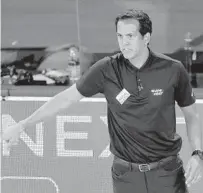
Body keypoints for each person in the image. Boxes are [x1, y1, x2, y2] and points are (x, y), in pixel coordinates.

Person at [1, 9, 203, 193]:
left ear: (146, 37)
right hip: (126, 176)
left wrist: (197, 153)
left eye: (130, 36)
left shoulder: (173, 70)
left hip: (167, 174)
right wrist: (22, 125)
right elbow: (65, 99)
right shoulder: (107, 69)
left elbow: (191, 115)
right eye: (120, 36)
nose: (124, 43)